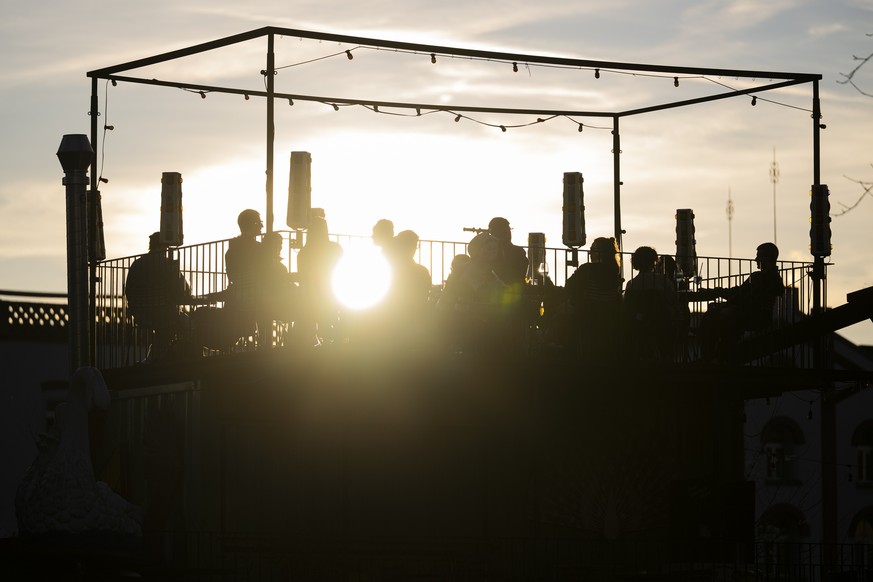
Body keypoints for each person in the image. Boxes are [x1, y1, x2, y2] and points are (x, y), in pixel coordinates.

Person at [701, 242, 785, 358]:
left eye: (758, 256)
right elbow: (741, 293)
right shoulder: (770, 278)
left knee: (712, 316)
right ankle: (718, 352)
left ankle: (710, 354)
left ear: (767, 258)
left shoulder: (762, 278)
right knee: (718, 318)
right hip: (752, 315)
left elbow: (741, 295)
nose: (756, 259)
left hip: (751, 316)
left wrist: (721, 299)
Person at [125, 232, 193, 362]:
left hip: (140, 315)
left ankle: (155, 356)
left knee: (165, 327)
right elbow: (185, 290)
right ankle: (182, 358)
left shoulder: (137, 264)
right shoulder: (167, 264)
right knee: (189, 324)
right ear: (165, 246)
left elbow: (128, 291)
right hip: (163, 314)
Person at [563, 236, 622, 360]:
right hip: (607, 318)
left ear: (601, 253)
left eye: (593, 249)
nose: (590, 252)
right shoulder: (614, 274)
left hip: (587, 315)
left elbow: (569, 286)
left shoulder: (587, 270)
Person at [622, 246, 681, 362]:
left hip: (639, 322)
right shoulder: (662, 281)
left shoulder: (631, 284)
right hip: (661, 321)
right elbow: (673, 299)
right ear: (653, 261)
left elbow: (627, 305)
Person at [296, 215, 343, 345]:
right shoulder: (335, 248)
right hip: (331, 291)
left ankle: (312, 342)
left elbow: (302, 275)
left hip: (310, 294)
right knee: (330, 317)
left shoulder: (304, 252)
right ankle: (331, 341)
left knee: (311, 319)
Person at [487, 216, 529, 287]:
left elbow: (521, 274)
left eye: (509, 230)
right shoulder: (488, 253)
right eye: (505, 230)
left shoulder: (519, 251)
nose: (509, 233)